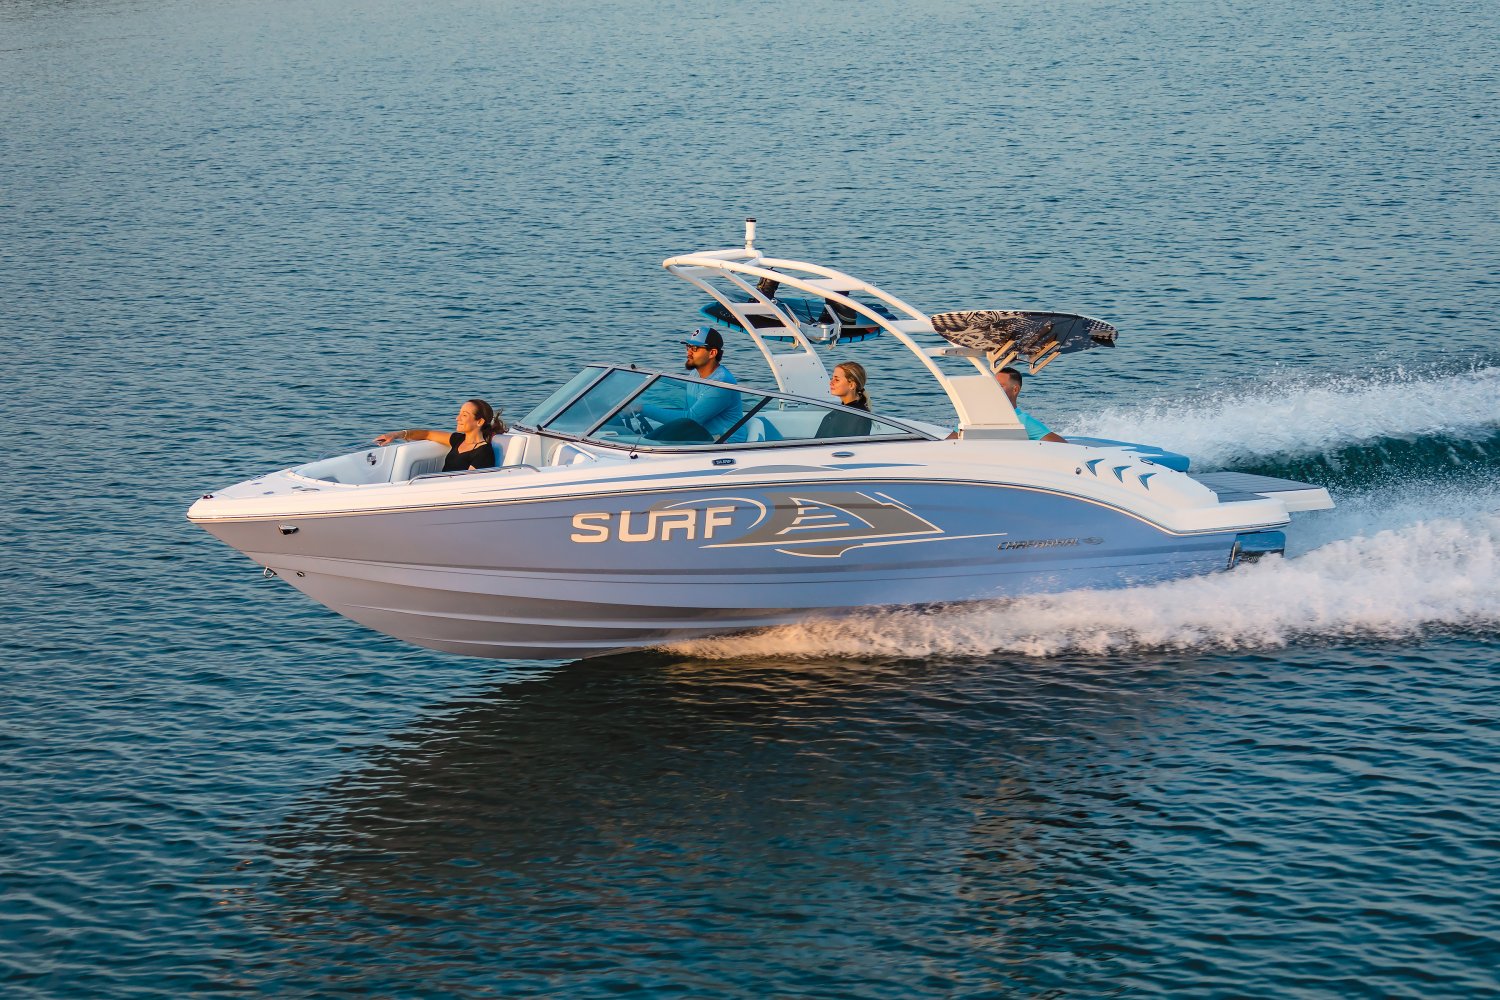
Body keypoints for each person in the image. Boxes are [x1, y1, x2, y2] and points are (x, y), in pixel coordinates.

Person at [640, 327, 743, 442]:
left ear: (712, 353)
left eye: (694, 348)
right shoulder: (694, 374)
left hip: (724, 442)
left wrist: (642, 409)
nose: (688, 352)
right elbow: (687, 416)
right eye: (688, 347)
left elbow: (690, 420)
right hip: (701, 435)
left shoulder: (722, 383)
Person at [375, 398, 503, 471]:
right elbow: (427, 434)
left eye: (464, 415)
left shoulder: (483, 452)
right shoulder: (458, 439)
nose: (457, 418)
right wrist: (395, 435)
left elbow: (467, 483)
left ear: (479, 422)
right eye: (459, 413)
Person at [995, 367, 1066, 442]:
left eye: (1000, 386)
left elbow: (1062, 445)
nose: (994, 389)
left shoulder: (1022, 421)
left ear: (1015, 390)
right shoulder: (988, 415)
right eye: (993, 385)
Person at [816, 361, 873, 438]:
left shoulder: (858, 416)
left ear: (851, 385)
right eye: (832, 378)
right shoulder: (841, 412)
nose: (831, 382)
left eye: (837, 380)